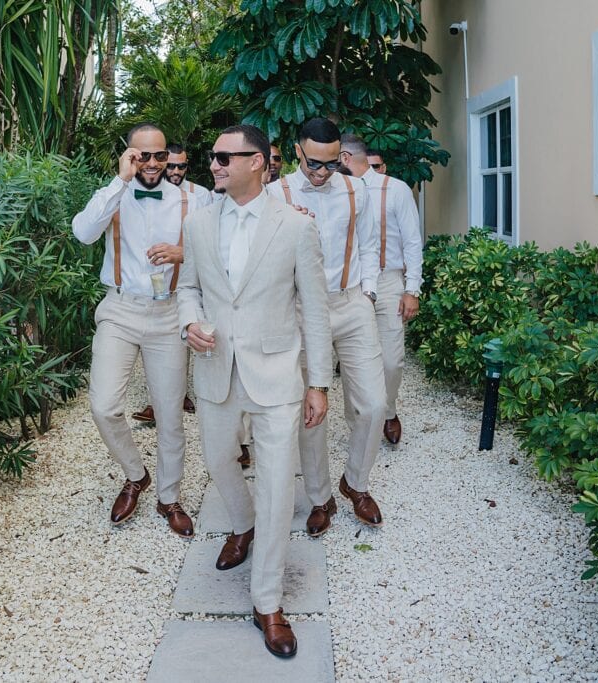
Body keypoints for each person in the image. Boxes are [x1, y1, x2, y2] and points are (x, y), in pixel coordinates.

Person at [178, 124, 332, 659]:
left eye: (225, 156)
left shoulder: (295, 227)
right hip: (216, 368)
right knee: (219, 461)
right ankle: (241, 526)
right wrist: (189, 324)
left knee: (275, 485)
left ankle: (267, 601)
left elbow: (314, 309)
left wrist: (318, 382)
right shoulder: (196, 224)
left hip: (277, 374)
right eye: (213, 157)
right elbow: (189, 289)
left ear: (260, 162)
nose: (214, 164)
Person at [71, 123, 201, 539]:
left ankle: (169, 496)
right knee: (104, 404)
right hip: (121, 308)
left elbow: (224, 248)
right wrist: (118, 181)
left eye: (159, 155)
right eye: (141, 155)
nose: (151, 163)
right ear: (128, 155)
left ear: (170, 158)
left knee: (169, 415)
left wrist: (184, 252)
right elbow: (83, 232)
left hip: (169, 315)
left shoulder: (190, 200)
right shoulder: (113, 195)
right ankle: (135, 474)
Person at [268, 118, 387, 536]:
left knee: (373, 404)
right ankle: (320, 496)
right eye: (314, 164)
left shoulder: (357, 189)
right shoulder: (274, 195)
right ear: (297, 152)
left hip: (352, 303)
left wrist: (368, 294)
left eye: (332, 164)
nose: (322, 173)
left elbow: (370, 244)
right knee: (311, 412)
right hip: (302, 311)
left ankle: (355, 482)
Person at [340, 134, 422, 444]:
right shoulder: (337, 189)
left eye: (337, 157)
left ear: (346, 157)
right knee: (353, 358)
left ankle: (387, 410)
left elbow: (413, 241)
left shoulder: (396, 189)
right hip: (352, 285)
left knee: (391, 359)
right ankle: (357, 420)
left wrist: (411, 288)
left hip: (388, 281)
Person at [130, 142, 215, 425]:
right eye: (172, 165)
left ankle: (188, 397)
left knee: (194, 340)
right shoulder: (141, 192)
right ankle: (165, 400)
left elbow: (213, 241)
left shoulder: (200, 196)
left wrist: (183, 254)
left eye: (182, 166)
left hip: (189, 283)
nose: (176, 170)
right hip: (154, 289)